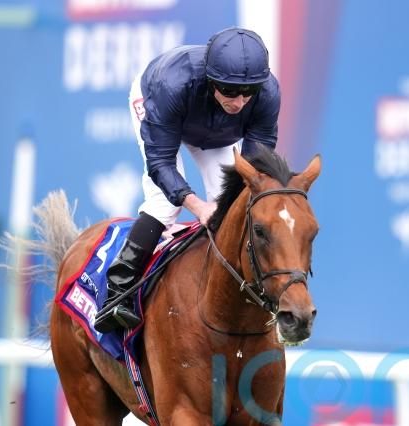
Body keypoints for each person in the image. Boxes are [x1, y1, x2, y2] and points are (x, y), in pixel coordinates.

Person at [93, 27, 281, 333]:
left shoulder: (267, 94)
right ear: (211, 80)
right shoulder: (171, 85)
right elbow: (161, 164)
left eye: (248, 92)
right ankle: (118, 292)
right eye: (230, 91)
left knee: (234, 205)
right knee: (165, 203)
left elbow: (253, 167)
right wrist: (199, 207)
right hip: (162, 105)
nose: (239, 103)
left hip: (215, 131)